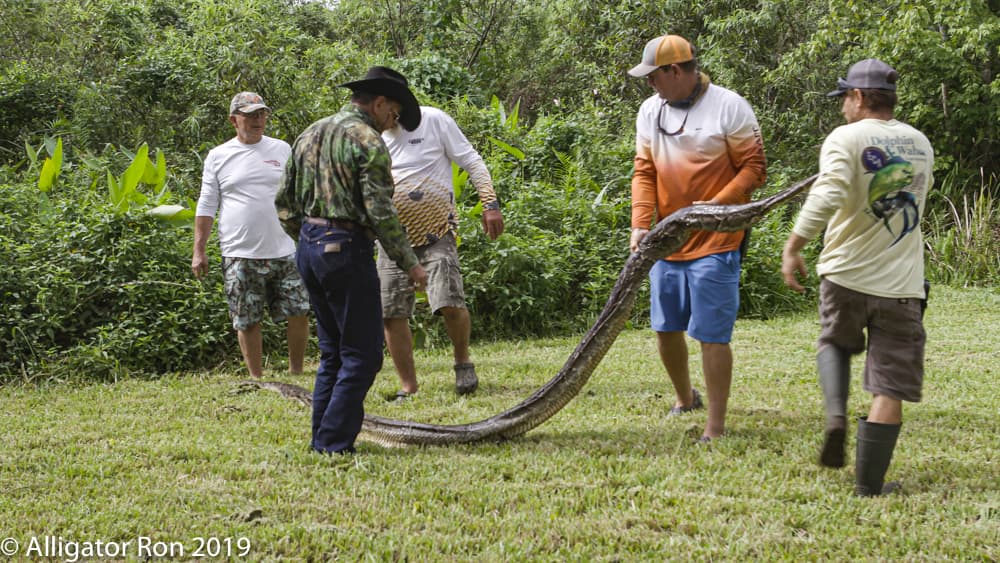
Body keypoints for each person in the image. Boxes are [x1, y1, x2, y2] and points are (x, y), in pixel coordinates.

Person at [782, 59, 933, 496]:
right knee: (889, 384)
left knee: (834, 342)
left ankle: (836, 416)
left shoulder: (845, 137)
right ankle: (869, 485)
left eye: (844, 98)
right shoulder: (920, 142)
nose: (842, 107)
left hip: (844, 275)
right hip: (901, 286)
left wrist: (794, 246)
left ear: (860, 96)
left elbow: (827, 194)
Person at [275, 66, 428, 455]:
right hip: (346, 249)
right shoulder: (368, 141)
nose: (392, 123)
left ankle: (322, 438)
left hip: (308, 247)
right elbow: (381, 211)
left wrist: (309, 240)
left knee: (333, 352)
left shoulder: (309, 132)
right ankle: (333, 444)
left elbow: (283, 202)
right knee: (362, 355)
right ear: (379, 104)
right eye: (393, 114)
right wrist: (410, 262)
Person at [627, 34, 767, 442]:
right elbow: (644, 171)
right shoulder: (650, 110)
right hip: (667, 238)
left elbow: (754, 168)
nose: (649, 84)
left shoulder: (729, 106)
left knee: (710, 334)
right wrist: (640, 224)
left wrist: (712, 207)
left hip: (717, 239)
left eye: (653, 76)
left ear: (674, 71)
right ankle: (685, 398)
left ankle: (715, 426)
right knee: (665, 326)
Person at [379, 105, 504, 399]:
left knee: (450, 301)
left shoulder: (433, 120)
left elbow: (472, 161)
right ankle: (408, 385)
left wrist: (490, 204)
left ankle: (462, 361)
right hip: (391, 238)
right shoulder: (373, 133)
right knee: (392, 312)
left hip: (437, 232)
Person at [192, 91, 310, 379]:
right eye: (250, 116)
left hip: (285, 247)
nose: (258, 120)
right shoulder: (218, 156)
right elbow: (206, 204)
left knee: (299, 310)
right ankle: (256, 377)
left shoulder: (282, 149)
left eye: (261, 114)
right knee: (247, 318)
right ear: (234, 120)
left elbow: (299, 193)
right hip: (239, 251)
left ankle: (297, 370)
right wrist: (199, 250)